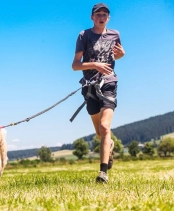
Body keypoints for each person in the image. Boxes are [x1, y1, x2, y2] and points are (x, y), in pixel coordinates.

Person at [72, 3, 125, 183]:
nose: (101, 17)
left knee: (104, 127)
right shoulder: (84, 35)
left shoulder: (115, 34)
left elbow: (116, 55)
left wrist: (121, 55)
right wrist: (94, 65)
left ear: (108, 18)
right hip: (89, 86)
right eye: (98, 14)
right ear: (92, 17)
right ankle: (108, 145)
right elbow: (75, 65)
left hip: (109, 83)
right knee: (99, 133)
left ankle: (103, 173)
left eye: (105, 14)